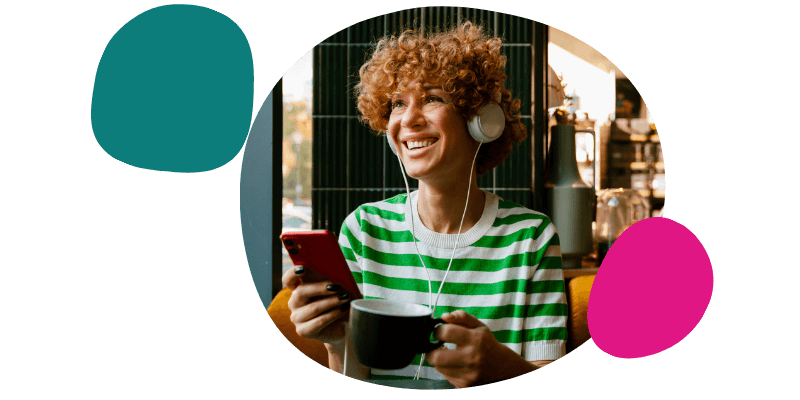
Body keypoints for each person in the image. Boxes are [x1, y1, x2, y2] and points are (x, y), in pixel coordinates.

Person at [281, 21, 567, 388]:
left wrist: (502, 368)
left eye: (432, 98)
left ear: (482, 121)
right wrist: (337, 338)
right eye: (398, 104)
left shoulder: (531, 237)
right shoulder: (364, 229)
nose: (409, 120)